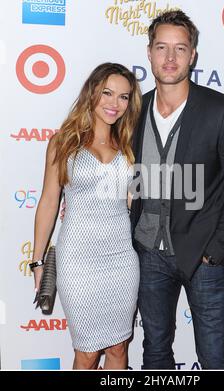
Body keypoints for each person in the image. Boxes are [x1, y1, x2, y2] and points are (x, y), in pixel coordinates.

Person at [130, 10, 224, 369]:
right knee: (155, 352)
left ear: (193, 55)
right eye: (162, 48)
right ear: (149, 53)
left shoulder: (222, 110)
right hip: (147, 254)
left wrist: (216, 251)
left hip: (204, 257)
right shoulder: (133, 110)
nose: (170, 58)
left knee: (214, 358)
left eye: (180, 49)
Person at [30, 63, 142, 370]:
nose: (114, 103)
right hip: (78, 259)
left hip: (121, 257)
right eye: (107, 93)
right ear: (92, 92)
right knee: (88, 352)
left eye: (123, 97)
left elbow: (136, 203)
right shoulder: (63, 142)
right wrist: (38, 261)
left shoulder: (130, 146)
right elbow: (49, 202)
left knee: (119, 347)